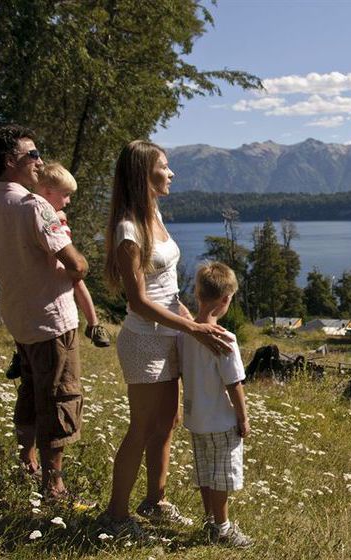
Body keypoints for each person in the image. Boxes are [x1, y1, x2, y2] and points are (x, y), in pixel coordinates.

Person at [99, 140, 233, 538]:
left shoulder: (153, 212)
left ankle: (155, 501)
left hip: (171, 332)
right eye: (164, 166)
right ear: (144, 174)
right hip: (145, 341)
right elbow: (139, 301)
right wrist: (192, 328)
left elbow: (165, 286)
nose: (171, 173)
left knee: (168, 423)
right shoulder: (128, 228)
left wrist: (189, 316)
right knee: (141, 428)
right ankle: (115, 516)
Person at [0, 124, 89, 500]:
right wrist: (80, 267)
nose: (40, 161)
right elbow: (73, 263)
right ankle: (53, 483)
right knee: (60, 395)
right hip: (51, 317)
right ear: (11, 161)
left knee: (29, 390)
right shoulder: (35, 206)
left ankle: (27, 461)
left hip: (19, 316)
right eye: (33, 155)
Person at [3, 163, 109, 380]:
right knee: (78, 280)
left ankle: (93, 325)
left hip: (34, 283)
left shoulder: (27, 208)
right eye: (66, 195)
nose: (68, 201)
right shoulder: (40, 210)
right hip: (54, 273)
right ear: (48, 192)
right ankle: (94, 324)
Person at [180, 262, 253, 548]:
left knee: (205, 473)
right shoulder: (225, 339)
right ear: (225, 301)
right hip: (221, 421)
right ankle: (223, 528)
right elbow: (234, 383)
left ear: (198, 295)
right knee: (222, 476)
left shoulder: (185, 334)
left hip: (196, 419)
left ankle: (210, 520)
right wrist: (243, 417)